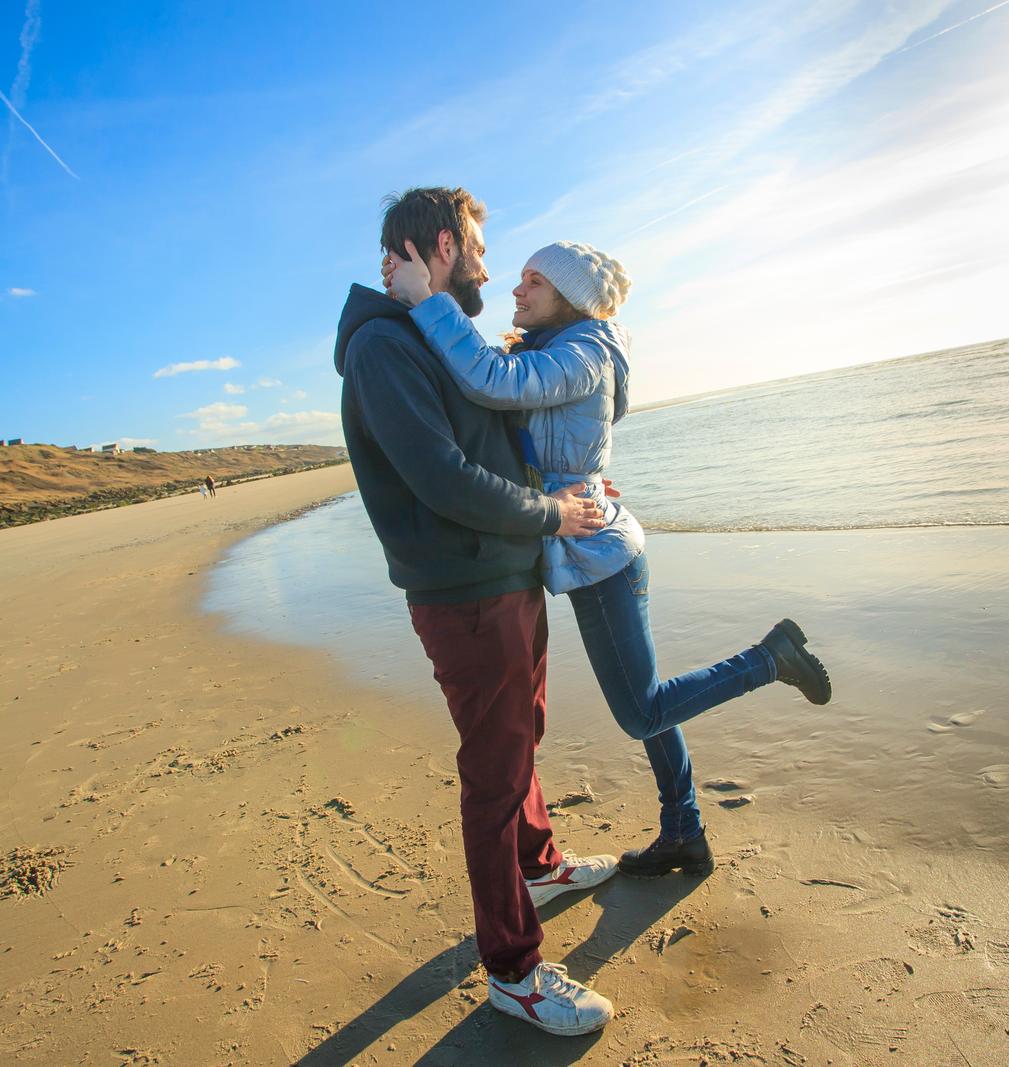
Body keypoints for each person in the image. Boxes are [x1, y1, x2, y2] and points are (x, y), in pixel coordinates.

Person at [384, 237, 832, 882]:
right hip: (585, 542)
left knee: (641, 709)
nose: (516, 289)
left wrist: (426, 301)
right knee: (651, 699)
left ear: (569, 296)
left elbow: (492, 380)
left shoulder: (586, 350)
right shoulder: (552, 347)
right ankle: (684, 831)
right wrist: (568, 477)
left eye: (533, 281)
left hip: (600, 556)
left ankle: (770, 659)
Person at [335, 187, 621, 1037]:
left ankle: (537, 867)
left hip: (505, 571)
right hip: (465, 589)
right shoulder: (383, 347)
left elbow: (496, 436)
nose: (492, 265)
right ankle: (514, 969)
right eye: (478, 245)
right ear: (441, 248)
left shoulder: (428, 333)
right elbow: (443, 478)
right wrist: (553, 516)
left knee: (520, 735)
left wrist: (570, 487)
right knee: (494, 772)